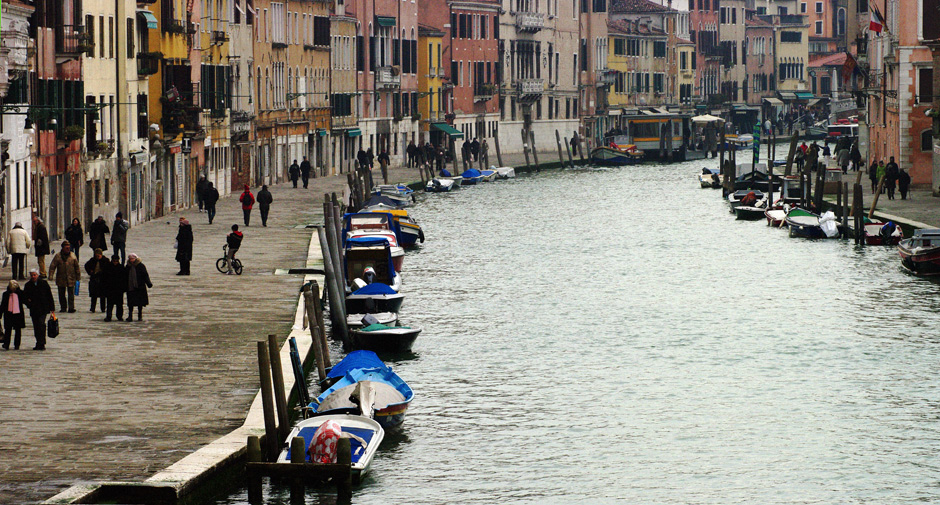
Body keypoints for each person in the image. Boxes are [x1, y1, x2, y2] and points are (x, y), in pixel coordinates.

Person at [22, 269, 54, 350]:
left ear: (37, 275)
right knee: (36, 326)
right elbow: (25, 298)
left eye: (34, 275)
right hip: (34, 309)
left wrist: (52, 308)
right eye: (32, 275)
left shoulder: (43, 283)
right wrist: (29, 304)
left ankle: (42, 342)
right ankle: (38, 342)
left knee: (41, 324)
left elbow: (49, 296)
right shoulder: (28, 285)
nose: (33, 277)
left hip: (43, 308)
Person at [48, 241, 80, 313]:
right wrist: (51, 275)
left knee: (71, 294)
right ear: (63, 248)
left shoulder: (73, 256)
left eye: (69, 247)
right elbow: (53, 266)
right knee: (61, 294)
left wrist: (78, 277)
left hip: (71, 277)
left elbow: (77, 267)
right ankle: (63, 307)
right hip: (61, 277)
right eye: (66, 248)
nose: (68, 249)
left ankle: (71, 307)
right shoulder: (58, 256)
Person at [124, 253, 152, 322]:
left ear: (136, 258)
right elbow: (124, 277)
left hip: (140, 287)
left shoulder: (141, 266)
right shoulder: (127, 266)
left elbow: (145, 275)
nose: (131, 260)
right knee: (130, 303)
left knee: (140, 303)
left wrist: (148, 283)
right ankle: (130, 316)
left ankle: (140, 316)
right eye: (130, 259)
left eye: (132, 259)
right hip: (130, 287)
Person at [1, 280, 25, 350]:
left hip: (18, 314)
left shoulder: (20, 293)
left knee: (18, 330)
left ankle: (17, 344)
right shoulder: (6, 294)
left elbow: (25, 300)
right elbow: (3, 305)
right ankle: (6, 344)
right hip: (8, 313)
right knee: (8, 329)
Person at [84, 248, 108, 312]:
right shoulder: (92, 260)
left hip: (103, 280)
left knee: (103, 296)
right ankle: (92, 308)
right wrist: (90, 272)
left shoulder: (105, 260)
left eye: (99, 256)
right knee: (93, 295)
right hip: (94, 279)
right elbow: (86, 266)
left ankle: (103, 308)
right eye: (96, 255)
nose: (97, 257)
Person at [103, 254, 126, 322]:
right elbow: (104, 279)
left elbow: (125, 279)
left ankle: (119, 316)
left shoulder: (121, 268)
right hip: (110, 289)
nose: (115, 262)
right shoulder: (108, 267)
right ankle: (109, 316)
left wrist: (124, 288)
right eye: (114, 261)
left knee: (119, 304)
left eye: (116, 261)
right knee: (110, 304)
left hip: (119, 289)